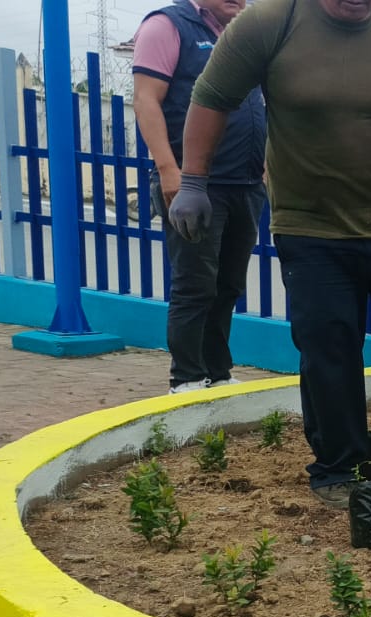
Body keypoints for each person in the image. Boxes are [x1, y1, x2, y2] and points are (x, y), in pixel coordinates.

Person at [170, 0, 371, 509]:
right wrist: (193, 181)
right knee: (329, 348)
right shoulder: (269, 24)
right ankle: (338, 468)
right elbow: (212, 97)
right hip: (309, 227)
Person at [130, 0, 265, 394]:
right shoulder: (168, 26)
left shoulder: (245, 31)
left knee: (228, 285)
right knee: (195, 285)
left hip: (244, 183)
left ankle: (217, 373)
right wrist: (169, 170)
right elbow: (146, 100)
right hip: (195, 185)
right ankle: (186, 377)